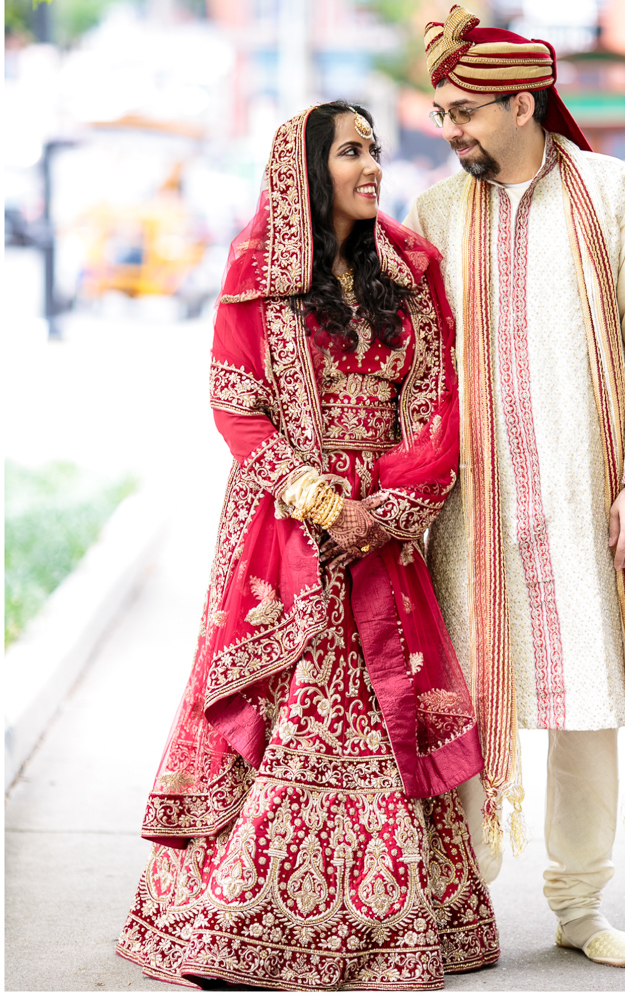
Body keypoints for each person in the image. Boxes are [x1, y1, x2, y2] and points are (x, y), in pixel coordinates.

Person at [116, 102, 500, 988]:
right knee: (280, 711)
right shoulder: (256, 274)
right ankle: (235, 923)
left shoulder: (412, 269)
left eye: (375, 149)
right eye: (352, 151)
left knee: (379, 708)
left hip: (387, 534)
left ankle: (380, 926)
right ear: (305, 169)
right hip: (283, 530)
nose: (373, 165)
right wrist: (323, 501)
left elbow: (440, 403)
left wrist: (393, 505)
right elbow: (236, 405)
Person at [404, 5, 625, 968]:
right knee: (466, 695)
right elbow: (416, 361)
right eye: (443, 114)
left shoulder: (612, 192)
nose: (452, 131)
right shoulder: (436, 212)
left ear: (524, 103)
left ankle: (578, 905)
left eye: (467, 113)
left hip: (585, 489)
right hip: (470, 503)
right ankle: (459, 901)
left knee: (586, 697)